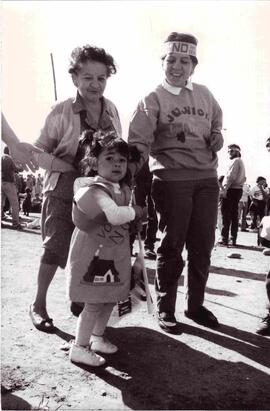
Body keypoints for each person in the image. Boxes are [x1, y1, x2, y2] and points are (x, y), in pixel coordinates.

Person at [128, 32, 223, 333]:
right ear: (163, 62)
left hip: (207, 180)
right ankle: (166, 308)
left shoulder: (205, 94)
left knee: (203, 247)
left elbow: (217, 121)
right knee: (171, 245)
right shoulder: (152, 98)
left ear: (194, 65)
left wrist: (218, 135)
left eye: (185, 60)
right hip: (171, 179)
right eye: (171, 60)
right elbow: (137, 146)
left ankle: (195, 306)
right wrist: (129, 187)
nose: (177, 66)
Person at [29, 45, 122, 332]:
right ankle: (38, 304)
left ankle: (80, 301)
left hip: (97, 190)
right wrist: (64, 167)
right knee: (55, 247)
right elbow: (37, 150)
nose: (95, 84)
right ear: (74, 79)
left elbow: (117, 148)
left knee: (92, 249)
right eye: (87, 78)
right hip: (63, 187)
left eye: (101, 78)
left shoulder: (112, 109)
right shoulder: (61, 109)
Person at [66, 130, 145, 366]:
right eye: (109, 158)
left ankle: (97, 338)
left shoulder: (122, 189)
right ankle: (79, 347)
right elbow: (114, 214)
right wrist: (136, 212)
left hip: (114, 252)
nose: (117, 164)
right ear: (93, 162)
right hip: (94, 254)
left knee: (110, 298)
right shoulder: (95, 189)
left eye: (121, 160)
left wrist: (135, 221)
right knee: (93, 302)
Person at [218, 144, 246, 246]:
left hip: (231, 189)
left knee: (226, 214)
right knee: (234, 215)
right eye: (229, 151)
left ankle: (224, 238)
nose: (229, 153)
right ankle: (233, 238)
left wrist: (225, 189)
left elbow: (231, 176)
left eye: (232, 151)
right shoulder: (240, 162)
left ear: (237, 152)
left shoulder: (236, 161)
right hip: (238, 190)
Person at [1, 146, 23, 229]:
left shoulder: (1, 158)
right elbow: (18, 169)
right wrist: (22, 165)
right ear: (9, 151)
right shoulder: (9, 159)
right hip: (9, 183)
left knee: (1, 203)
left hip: (1, 182)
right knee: (15, 204)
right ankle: (15, 223)